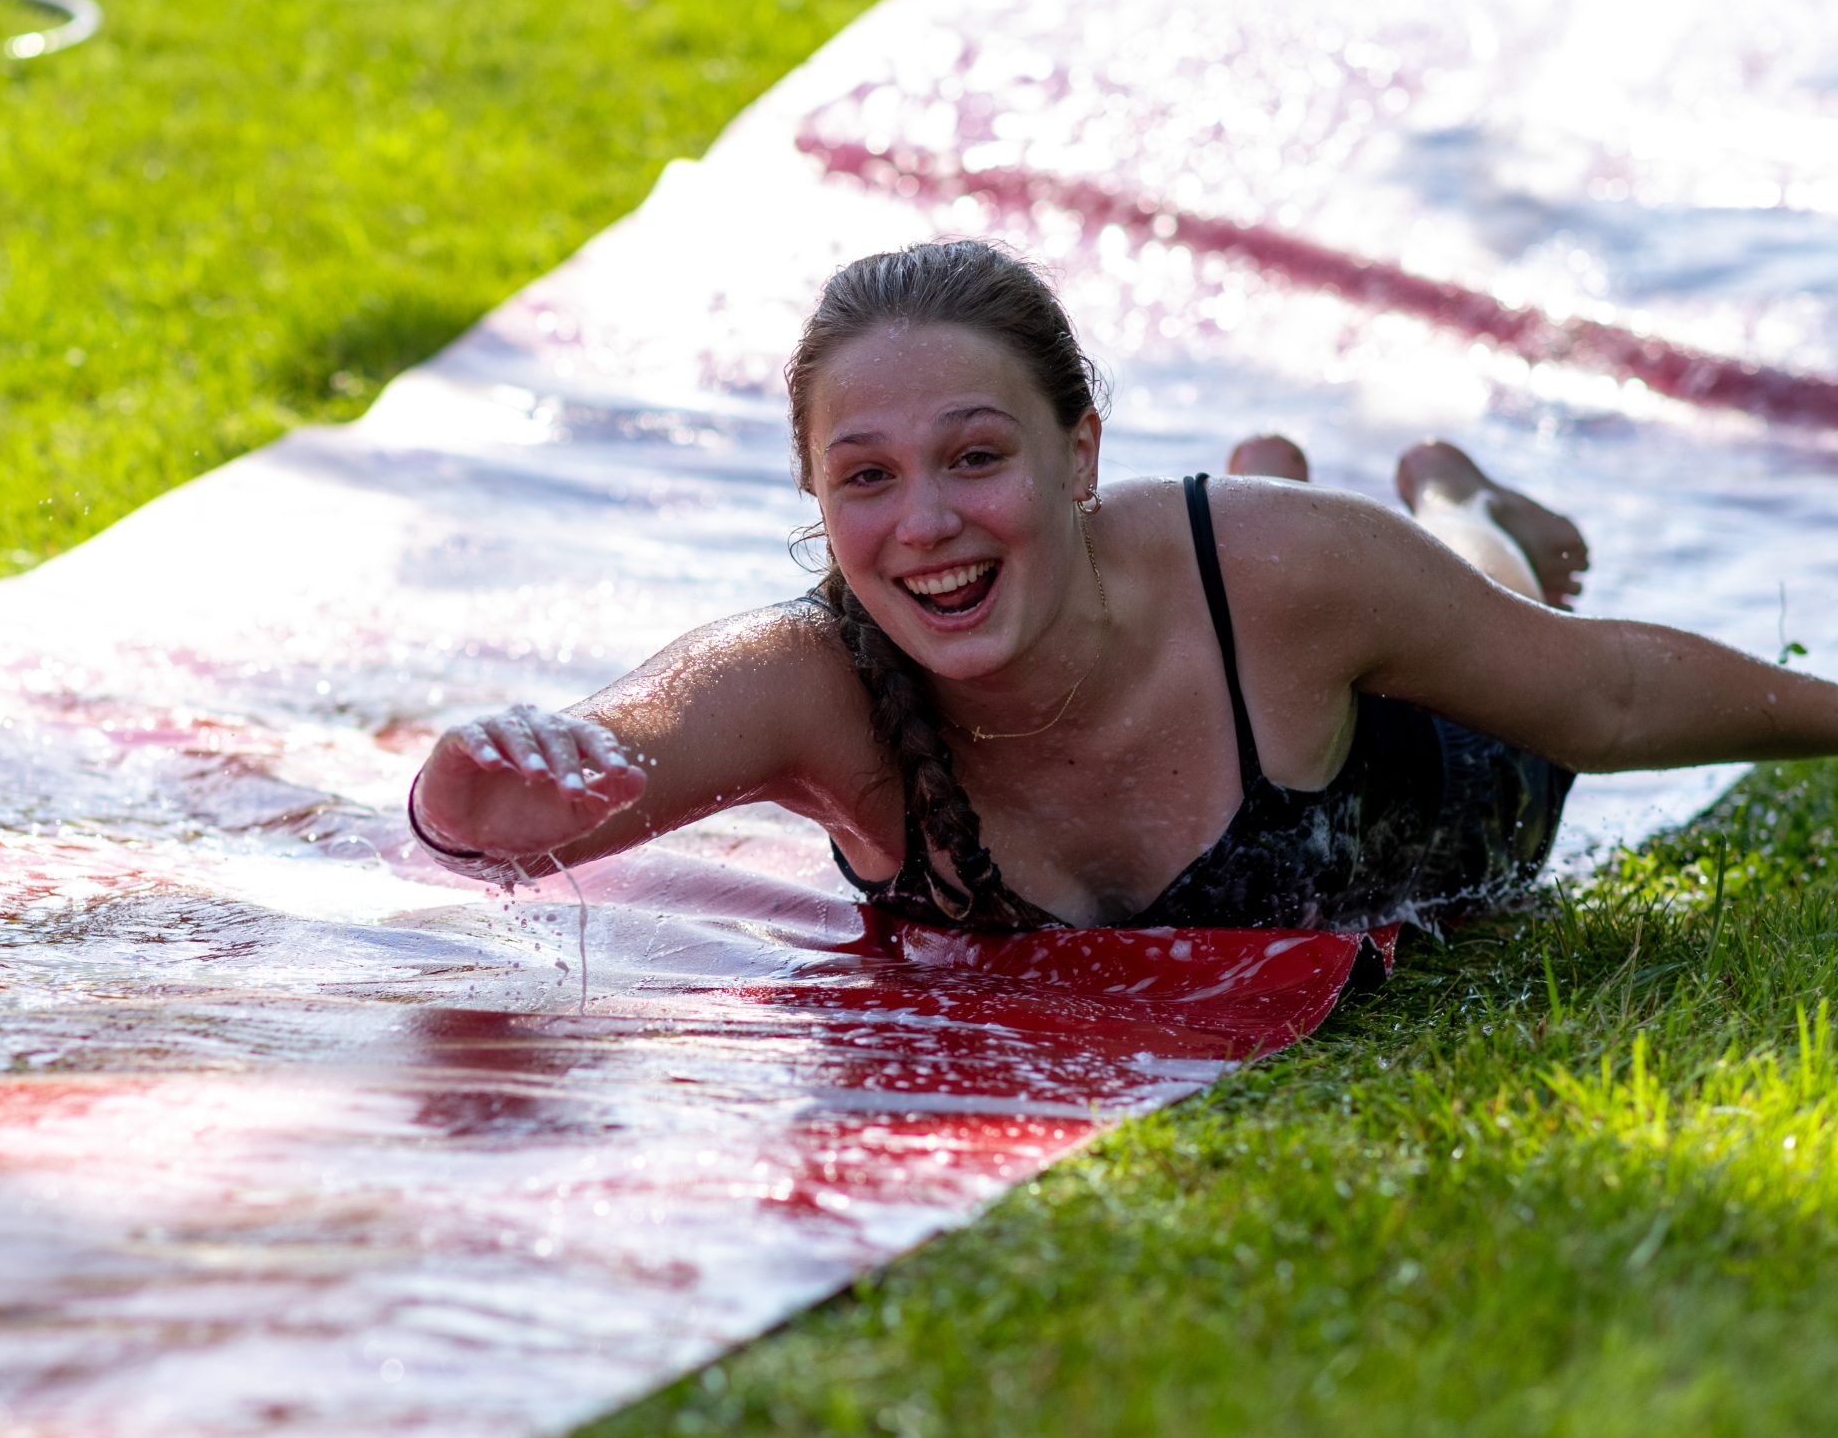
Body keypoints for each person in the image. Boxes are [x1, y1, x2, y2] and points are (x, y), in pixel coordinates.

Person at [404, 239, 1838, 931]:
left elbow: (1601, 696)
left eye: (977, 457)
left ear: (1078, 454)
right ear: (816, 498)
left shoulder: (1273, 576)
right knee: (1293, 540)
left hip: (1434, 756)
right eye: (866, 477)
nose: (924, 526)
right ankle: (1280, 469)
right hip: (1261, 585)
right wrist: (474, 777)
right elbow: (544, 796)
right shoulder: (809, 682)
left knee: (1483, 606)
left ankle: (1458, 500)